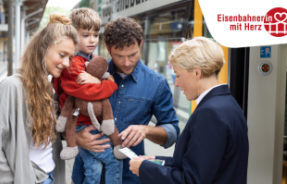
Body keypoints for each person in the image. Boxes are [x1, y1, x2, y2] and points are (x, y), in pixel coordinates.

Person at [72, 17, 180, 184]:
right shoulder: (89, 74)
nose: (127, 62)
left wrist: (146, 130)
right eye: (119, 56)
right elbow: (65, 113)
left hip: (129, 177)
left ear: (141, 44)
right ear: (108, 49)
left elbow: (172, 132)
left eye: (133, 54)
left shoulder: (157, 84)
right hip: (85, 176)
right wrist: (75, 137)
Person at [129, 37, 249, 184]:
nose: (176, 83)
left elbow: (191, 180)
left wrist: (144, 169)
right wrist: (156, 160)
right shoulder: (228, 103)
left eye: (178, 75)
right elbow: (204, 164)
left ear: (197, 73)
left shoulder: (210, 113)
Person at [0, 13, 78, 184]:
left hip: (51, 175)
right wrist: (12, 179)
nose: (67, 63)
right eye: (62, 55)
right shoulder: (11, 87)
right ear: (43, 49)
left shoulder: (48, 88)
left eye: (70, 57)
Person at [51, 8, 124, 184]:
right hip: (79, 124)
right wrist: (108, 84)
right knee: (114, 160)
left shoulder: (89, 58)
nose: (92, 40)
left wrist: (97, 79)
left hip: (86, 121)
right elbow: (85, 91)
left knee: (93, 169)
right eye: (85, 35)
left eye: (96, 34)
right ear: (73, 37)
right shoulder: (74, 63)